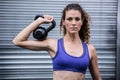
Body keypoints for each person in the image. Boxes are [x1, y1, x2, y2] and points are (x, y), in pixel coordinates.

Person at [12, 3, 102, 80]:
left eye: (77, 19)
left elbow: (97, 78)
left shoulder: (90, 49)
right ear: (63, 22)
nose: (73, 23)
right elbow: (18, 41)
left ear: (82, 22)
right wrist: (39, 21)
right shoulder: (53, 44)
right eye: (69, 19)